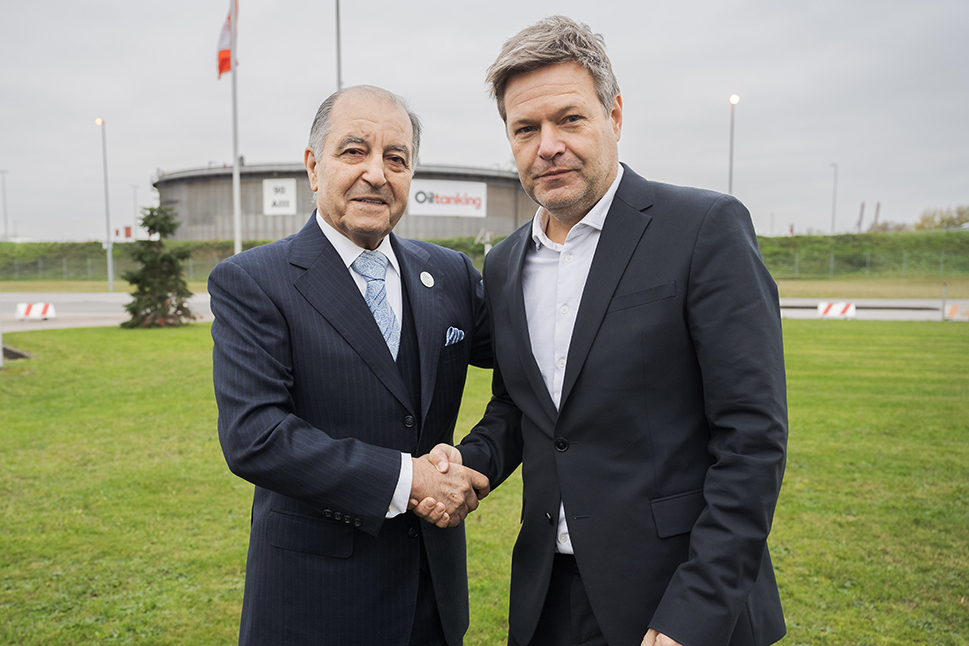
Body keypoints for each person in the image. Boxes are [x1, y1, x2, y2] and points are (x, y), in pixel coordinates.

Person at [419, 16, 788, 646]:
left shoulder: (703, 229)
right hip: (548, 597)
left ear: (613, 116)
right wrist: (471, 464)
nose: (548, 145)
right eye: (526, 129)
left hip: (675, 597)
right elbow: (523, 408)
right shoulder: (505, 263)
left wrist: (691, 617)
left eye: (570, 119)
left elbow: (751, 440)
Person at [210, 85, 492, 646]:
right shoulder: (254, 281)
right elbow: (255, 436)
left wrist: (473, 462)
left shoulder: (453, 274)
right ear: (314, 167)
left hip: (432, 600)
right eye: (354, 151)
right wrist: (411, 479)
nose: (377, 174)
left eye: (396, 159)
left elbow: (528, 380)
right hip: (315, 606)